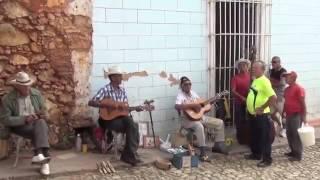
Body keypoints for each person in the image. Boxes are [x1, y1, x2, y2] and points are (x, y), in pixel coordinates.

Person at [88, 66, 142, 166]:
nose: (121, 78)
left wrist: (136, 108)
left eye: (121, 76)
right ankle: (129, 155)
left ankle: (130, 153)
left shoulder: (122, 91)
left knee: (133, 124)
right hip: (107, 120)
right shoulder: (105, 89)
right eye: (119, 76)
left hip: (121, 119)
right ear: (112, 78)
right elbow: (91, 102)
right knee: (131, 123)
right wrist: (105, 104)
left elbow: (124, 108)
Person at [0, 72, 51, 175]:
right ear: (17, 86)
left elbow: (44, 110)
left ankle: (40, 156)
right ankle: (44, 161)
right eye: (24, 87)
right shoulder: (8, 99)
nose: (27, 88)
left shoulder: (36, 94)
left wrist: (41, 114)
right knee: (41, 128)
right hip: (19, 126)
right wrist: (24, 119)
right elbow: (5, 119)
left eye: (28, 85)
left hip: (35, 124)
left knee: (40, 123)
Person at [175, 76, 228, 162]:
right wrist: (192, 106)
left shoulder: (193, 93)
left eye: (189, 84)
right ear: (181, 86)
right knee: (199, 126)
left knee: (220, 123)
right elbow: (176, 106)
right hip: (186, 120)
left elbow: (201, 106)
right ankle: (203, 153)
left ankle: (218, 146)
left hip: (198, 117)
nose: (188, 86)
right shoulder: (180, 95)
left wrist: (213, 101)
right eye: (185, 84)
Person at [245, 61, 277, 168]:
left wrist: (262, 108)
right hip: (253, 114)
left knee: (264, 137)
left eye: (255, 68)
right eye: (252, 67)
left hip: (262, 115)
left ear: (262, 70)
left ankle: (267, 159)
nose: (252, 69)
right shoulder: (256, 80)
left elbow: (273, 97)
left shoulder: (264, 81)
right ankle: (256, 154)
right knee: (255, 135)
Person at [282, 71, 306, 162]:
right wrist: (283, 112)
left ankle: (298, 154)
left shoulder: (299, 89)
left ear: (293, 78)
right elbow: (286, 102)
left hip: (296, 114)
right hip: (288, 114)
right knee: (289, 134)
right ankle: (293, 151)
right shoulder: (287, 89)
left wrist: (304, 116)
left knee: (296, 135)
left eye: (287, 77)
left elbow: (303, 104)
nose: (285, 79)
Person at [231, 58, 251, 145]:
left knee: (250, 120)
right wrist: (241, 97)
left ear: (247, 66)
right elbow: (233, 90)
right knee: (240, 120)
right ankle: (241, 138)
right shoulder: (235, 78)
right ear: (238, 67)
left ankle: (249, 137)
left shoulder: (251, 76)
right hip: (239, 102)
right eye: (241, 65)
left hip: (250, 102)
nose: (243, 67)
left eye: (245, 65)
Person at [268, 56, 287, 137]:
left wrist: (271, 82)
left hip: (280, 96)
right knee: (271, 113)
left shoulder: (283, 71)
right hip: (272, 95)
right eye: (272, 62)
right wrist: (273, 82)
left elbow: (282, 83)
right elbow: (268, 81)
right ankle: (279, 124)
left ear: (279, 62)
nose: (273, 63)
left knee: (282, 114)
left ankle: (285, 129)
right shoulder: (271, 71)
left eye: (275, 62)